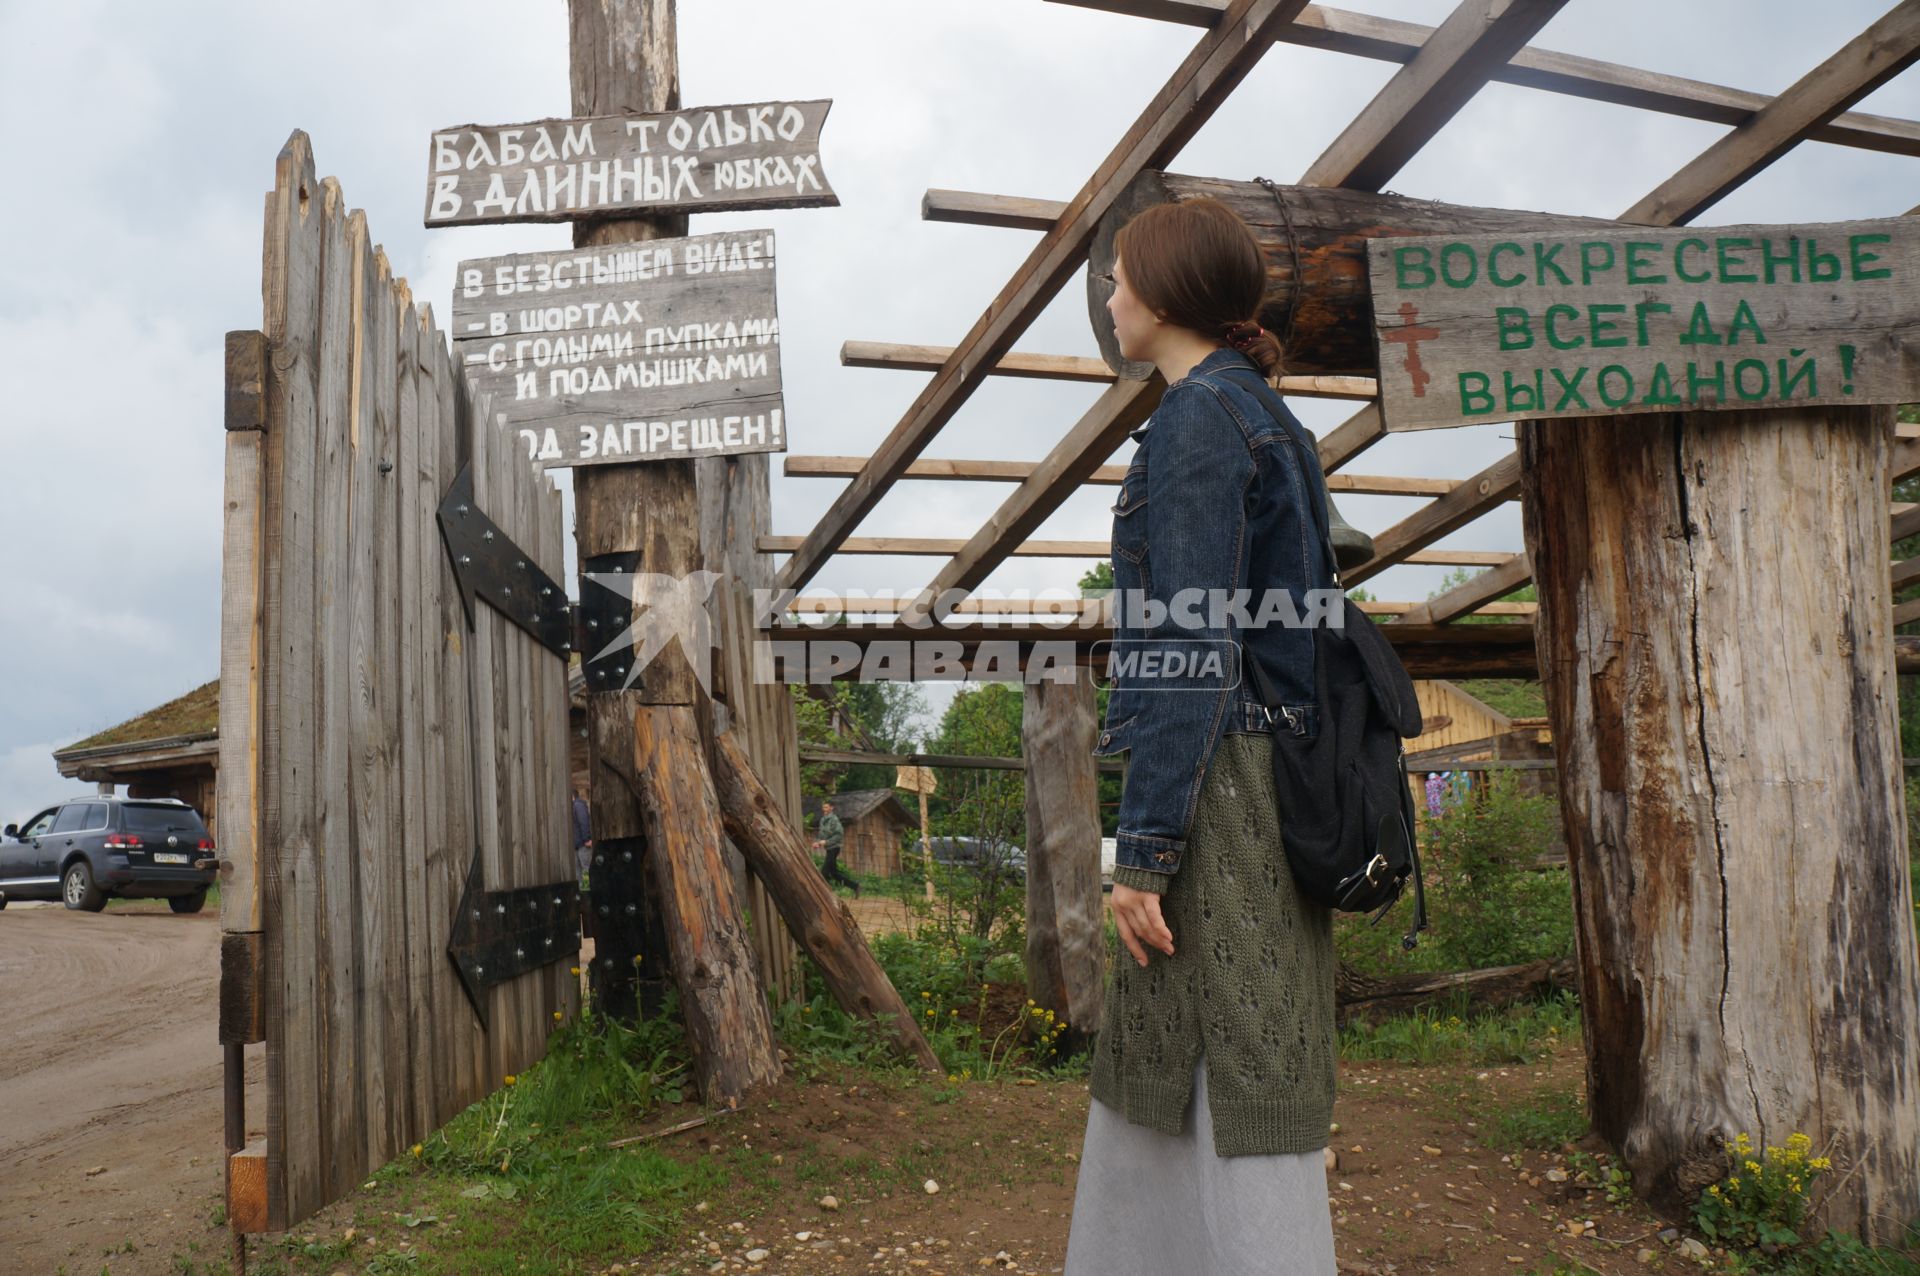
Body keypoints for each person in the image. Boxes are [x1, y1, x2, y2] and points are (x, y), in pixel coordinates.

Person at [1063, 197, 1341, 1275]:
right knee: (1230, 1057)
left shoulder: (1195, 419)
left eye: (1122, 276)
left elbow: (1189, 650)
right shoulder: (1265, 414)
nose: (1110, 294)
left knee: (1232, 1069)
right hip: (1271, 783)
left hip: (1220, 792)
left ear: (1169, 292)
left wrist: (1144, 853)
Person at [810, 799, 860, 897]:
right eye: (823, 807)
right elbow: (822, 835)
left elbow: (839, 835)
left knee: (824, 872)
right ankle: (855, 886)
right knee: (834, 874)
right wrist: (818, 843)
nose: (824, 809)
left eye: (826, 807)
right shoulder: (823, 820)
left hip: (834, 848)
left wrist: (827, 842)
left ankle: (824, 894)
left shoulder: (834, 820)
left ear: (831, 808)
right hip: (829, 849)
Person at [571, 785, 592, 880]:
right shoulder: (574, 806)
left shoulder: (578, 805)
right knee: (579, 870)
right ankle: (582, 891)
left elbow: (584, 821)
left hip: (583, 844)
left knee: (585, 868)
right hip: (577, 844)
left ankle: (587, 890)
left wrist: (587, 839)